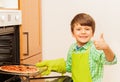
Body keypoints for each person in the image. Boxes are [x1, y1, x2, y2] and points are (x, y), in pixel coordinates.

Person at [36, 13, 117, 82]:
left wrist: (106, 48)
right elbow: (69, 66)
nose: (83, 32)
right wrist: (52, 65)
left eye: (87, 29)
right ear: (72, 33)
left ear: (92, 33)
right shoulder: (72, 48)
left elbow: (111, 61)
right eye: (78, 29)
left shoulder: (95, 48)